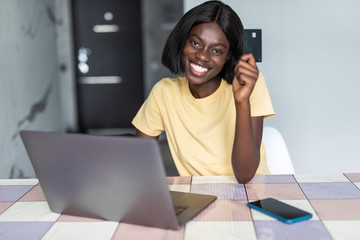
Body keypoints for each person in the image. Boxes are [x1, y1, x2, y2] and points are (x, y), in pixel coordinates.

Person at [132, 0, 275, 183]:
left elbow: (244, 176)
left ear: (228, 56)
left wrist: (242, 101)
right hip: (201, 196)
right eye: (195, 43)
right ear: (183, 41)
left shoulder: (249, 84)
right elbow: (136, 161)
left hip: (252, 196)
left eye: (216, 50)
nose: (202, 56)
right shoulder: (164, 93)